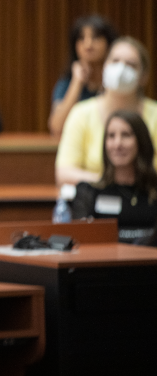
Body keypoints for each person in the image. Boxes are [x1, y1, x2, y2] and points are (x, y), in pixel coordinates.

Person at [56, 37, 157, 186]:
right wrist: (111, 183)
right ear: (105, 68)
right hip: (93, 200)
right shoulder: (81, 113)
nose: (121, 69)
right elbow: (64, 174)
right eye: (115, 61)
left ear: (144, 76)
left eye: (131, 64)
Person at [72, 111, 157, 245]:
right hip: (106, 264)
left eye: (126, 135)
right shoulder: (89, 192)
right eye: (111, 136)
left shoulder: (153, 190)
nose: (117, 144)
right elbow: (81, 242)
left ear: (141, 141)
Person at [49, 15, 118, 136]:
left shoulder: (119, 80)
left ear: (108, 43)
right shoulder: (66, 83)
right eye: (81, 38)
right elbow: (57, 128)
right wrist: (77, 82)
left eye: (95, 37)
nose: (88, 44)